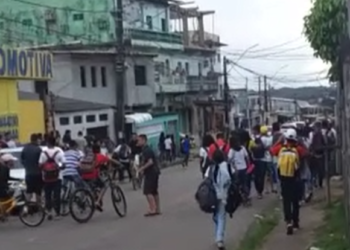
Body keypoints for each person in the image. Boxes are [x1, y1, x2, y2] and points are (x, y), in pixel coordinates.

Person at [270, 128, 307, 235]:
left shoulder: (280, 148)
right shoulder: (298, 149)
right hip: (295, 179)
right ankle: (295, 221)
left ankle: (288, 222)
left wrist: (279, 141)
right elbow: (306, 153)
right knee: (295, 201)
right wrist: (301, 143)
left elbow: (271, 151)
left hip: (284, 179)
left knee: (286, 201)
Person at [205, 143, 234, 250]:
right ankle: (219, 240)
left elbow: (206, 179)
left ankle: (218, 235)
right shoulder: (226, 166)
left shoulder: (211, 168)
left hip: (213, 195)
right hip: (223, 195)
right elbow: (228, 178)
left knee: (217, 215)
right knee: (221, 217)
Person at [39, 136, 65, 220]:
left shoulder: (43, 153)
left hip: (46, 178)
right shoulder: (59, 152)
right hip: (57, 177)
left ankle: (49, 212)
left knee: (48, 196)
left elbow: (40, 165)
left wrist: (45, 167)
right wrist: (58, 166)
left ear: (47, 143)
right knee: (57, 195)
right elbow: (64, 164)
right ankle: (57, 213)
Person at [137, 134, 161, 216]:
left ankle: (152, 209)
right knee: (154, 191)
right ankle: (157, 209)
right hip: (154, 172)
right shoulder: (146, 149)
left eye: (139, 140)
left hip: (151, 173)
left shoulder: (146, 150)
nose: (138, 142)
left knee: (147, 192)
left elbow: (150, 162)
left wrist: (141, 169)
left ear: (144, 140)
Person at [21, 134, 43, 203]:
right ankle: (39, 208)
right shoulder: (38, 149)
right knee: (38, 191)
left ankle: (27, 207)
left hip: (28, 174)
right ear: (36, 140)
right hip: (37, 174)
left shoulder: (25, 148)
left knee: (29, 191)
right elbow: (41, 161)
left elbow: (22, 160)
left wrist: (26, 166)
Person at [228, 133, 249, 202]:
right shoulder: (243, 148)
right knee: (244, 183)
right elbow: (247, 158)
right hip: (244, 168)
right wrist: (248, 165)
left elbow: (229, 160)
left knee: (237, 184)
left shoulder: (232, 150)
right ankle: (246, 196)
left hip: (236, 170)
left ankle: (239, 197)